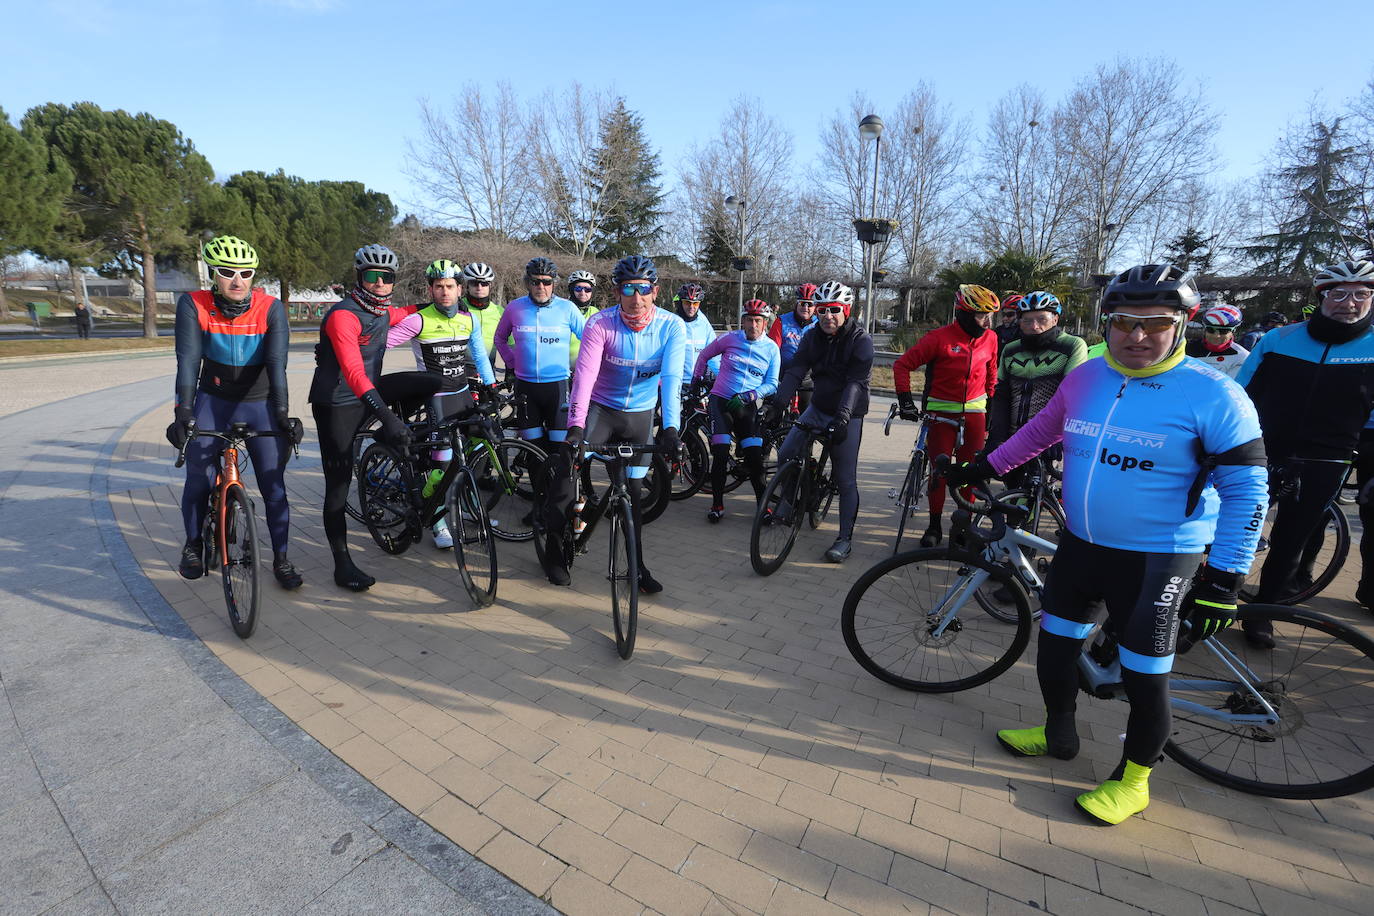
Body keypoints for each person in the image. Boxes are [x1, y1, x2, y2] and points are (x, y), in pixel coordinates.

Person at [946, 264, 1268, 825]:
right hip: (1082, 542)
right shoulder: (1088, 375)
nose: (1137, 336)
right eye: (1123, 322)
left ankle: (1134, 780)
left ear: (1184, 323)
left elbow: (1248, 490)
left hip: (1158, 556)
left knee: (1145, 674)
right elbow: (1043, 431)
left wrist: (1225, 578)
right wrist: (984, 466)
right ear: (1107, 321)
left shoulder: (1214, 394)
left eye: (1156, 323)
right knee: (1055, 646)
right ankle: (1057, 734)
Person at [1235, 260, 1374, 643]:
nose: (1350, 302)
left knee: (1290, 540)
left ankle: (1263, 613)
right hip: (1260, 449)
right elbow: (1240, 396)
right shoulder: (1279, 338)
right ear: (1321, 297)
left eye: (1362, 294)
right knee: (1234, 527)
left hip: (1327, 456)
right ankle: (1218, 595)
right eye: (1338, 293)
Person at [168, 235, 304, 590]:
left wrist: (283, 414)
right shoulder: (193, 304)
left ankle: (282, 559)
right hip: (213, 401)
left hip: (259, 403)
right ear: (213, 273)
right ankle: (193, 544)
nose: (238, 280)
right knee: (198, 477)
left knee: (274, 487)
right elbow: (188, 362)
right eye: (227, 272)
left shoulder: (271, 308)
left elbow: (277, 365)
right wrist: (183, 413)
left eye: (246, 272)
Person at [563, 255, 686, 592]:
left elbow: (673, 378)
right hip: (602, 411)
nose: (636, 297)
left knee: (632, 495)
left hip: (640, 416)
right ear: (618, 292)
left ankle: (638, 568)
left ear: (655, 291)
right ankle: (556, 545)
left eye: (643, 289)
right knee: (567, 467)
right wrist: (576, 425)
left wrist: (671, 428)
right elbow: (584, 378)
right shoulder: (600, 324)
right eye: (628, 289)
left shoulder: (671, 326)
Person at [308, 244, 419, 591]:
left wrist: (439, 303)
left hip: (366, 395)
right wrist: (386, 417)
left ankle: (389, 458)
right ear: (359, 277)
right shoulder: (344, 315)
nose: (380, 284)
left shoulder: (383, 312)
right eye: (372, 277)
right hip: (338, 403)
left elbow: (401, 313)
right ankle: (342, 564)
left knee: (429, 384)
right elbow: (354, 373)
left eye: (387, 278)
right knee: (337, 487)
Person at [385, 259, 498, 549]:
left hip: (462, 394)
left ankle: (472, 508)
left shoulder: (468, 319)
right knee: (443, 461)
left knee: (472, 451)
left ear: (460, 289)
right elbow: (381, 344)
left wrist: (491, 384)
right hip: (435, 399)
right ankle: (436, 519)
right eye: (438, 287)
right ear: (430, 289)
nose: (444, 292)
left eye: (450, 286)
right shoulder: (419, 320)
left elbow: (479, 353)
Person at [768, 281, 873, 563]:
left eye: (835, 310)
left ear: (846, 310)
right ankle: (789, 500)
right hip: (817, 406)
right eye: (823, 310)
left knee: (845, 478)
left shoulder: (860, 339)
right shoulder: (812, 336)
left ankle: (844, 539)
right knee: (787, 452)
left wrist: (842, 417)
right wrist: (778, 403)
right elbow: (796, 370)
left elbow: (856, 382)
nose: (828, 316)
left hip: (848, 412)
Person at [892, 284, 1001, 547]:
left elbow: (991, 376)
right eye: (981, 315)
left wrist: (992, 410)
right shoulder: (939, 338)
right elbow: (902, 365)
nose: (987, 321)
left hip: (975, 414)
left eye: (990, 315)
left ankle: (962, 526)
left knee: (969, 473)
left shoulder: (992, 338)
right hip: (941, 414)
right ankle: (933, 526)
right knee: (939, 473)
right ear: (963, 313)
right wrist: (906, 402)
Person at [691, 298, 781, 521]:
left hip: (746, 405)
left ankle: (763, 507)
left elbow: (772, 383)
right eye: (749, 320)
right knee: (720, 453)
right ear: (743, 321)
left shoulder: (771, 349)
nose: (753, 325)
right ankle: (717, 506)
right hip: (720, 401)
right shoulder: (730, 339)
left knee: (754, 458)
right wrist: (696, 378)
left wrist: (751, 395)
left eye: (758, 320)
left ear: (765, 323)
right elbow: (704, 355)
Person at [986, 291, 1087, 481]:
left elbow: (1072, 395)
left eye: (1042, 319)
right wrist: (996, 438)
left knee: (1035, 501)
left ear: (1055, 319)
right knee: (1013, 500)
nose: (1034, 326)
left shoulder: (1072, 345)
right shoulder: (1010, 349)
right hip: (1013, 441)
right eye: (1027, 321)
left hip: (1046, 440)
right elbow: (1002, 397)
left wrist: (1058, 437)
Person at [494, 258, 586, 457]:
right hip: (526, 388)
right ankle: (538, 487)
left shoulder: (568, 308)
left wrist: (584, 372)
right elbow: (499, 338)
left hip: (557, 388)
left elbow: (589, 341)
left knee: (559, 449)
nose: (541, 287)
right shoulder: (515, 307)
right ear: (528, 283)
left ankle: (558, 488)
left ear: (554, 283)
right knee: (534, 450)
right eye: (535, 282)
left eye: (546, 282)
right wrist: (512, 363)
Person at [767, 283, 818, 413]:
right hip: (783, 373)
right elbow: (772, 350)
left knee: (808, 413)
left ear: (815, 306)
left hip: (808, 376)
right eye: (802, 303)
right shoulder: (782, 321)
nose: (806, 308)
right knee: (773, 412)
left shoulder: (820, 324)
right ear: (796, 304)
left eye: (810, 304)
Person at [1185, 304, 1249, 379]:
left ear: (1234, 331)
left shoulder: (1242, 357)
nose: (1216, 336)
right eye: (1210, 330)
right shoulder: (1186, 348)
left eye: (1223, 331)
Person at [459, 262, 504, 366]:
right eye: (474, 283)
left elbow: (511, 344)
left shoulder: (499, 311)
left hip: (489, 367)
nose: (479, 287)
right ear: (467, 286)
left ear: (490, 286)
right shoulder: (457, 307)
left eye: (484, 284)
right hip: (461, 370)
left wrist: (510, 371)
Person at [675, 283, 718, 380]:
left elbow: (714, 354)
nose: (691, 307)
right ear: (681, 302)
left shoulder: (704, 323)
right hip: (676, 382)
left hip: (698, 382)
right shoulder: (673, 323)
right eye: (687, 303)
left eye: (695, 303)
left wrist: (721, 378)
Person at [567, 269, 601, 364]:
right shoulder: (563, 310)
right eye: (578, 288)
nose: (583, 293)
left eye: (587, 289)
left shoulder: (596, 313)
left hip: (587, 367)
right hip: (562, 370)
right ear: (571, 290)